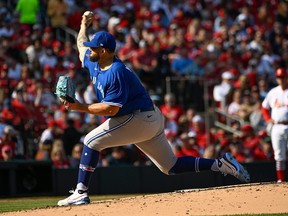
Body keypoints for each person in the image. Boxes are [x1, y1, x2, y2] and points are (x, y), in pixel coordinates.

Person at [57, 12, 250, 206]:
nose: (89, 51)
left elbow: (110, 110)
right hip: (149, 117)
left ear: (104, 51)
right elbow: (81, 45)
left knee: (90, 141)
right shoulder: (94, 61)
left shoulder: (117, 72)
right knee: (171, 166)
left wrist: (78, 107)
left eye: (94, 49)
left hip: (137, 118)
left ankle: (81, 192)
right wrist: (83, 25)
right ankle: (221, 164)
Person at [261, 67, 288, 183]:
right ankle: (281, 180)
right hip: (276, 126)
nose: (281, 79)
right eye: (279, 77)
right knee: (278, 154)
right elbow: (264, 107)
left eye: (282, 77)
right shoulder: (273, 92)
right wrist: (267, 118)